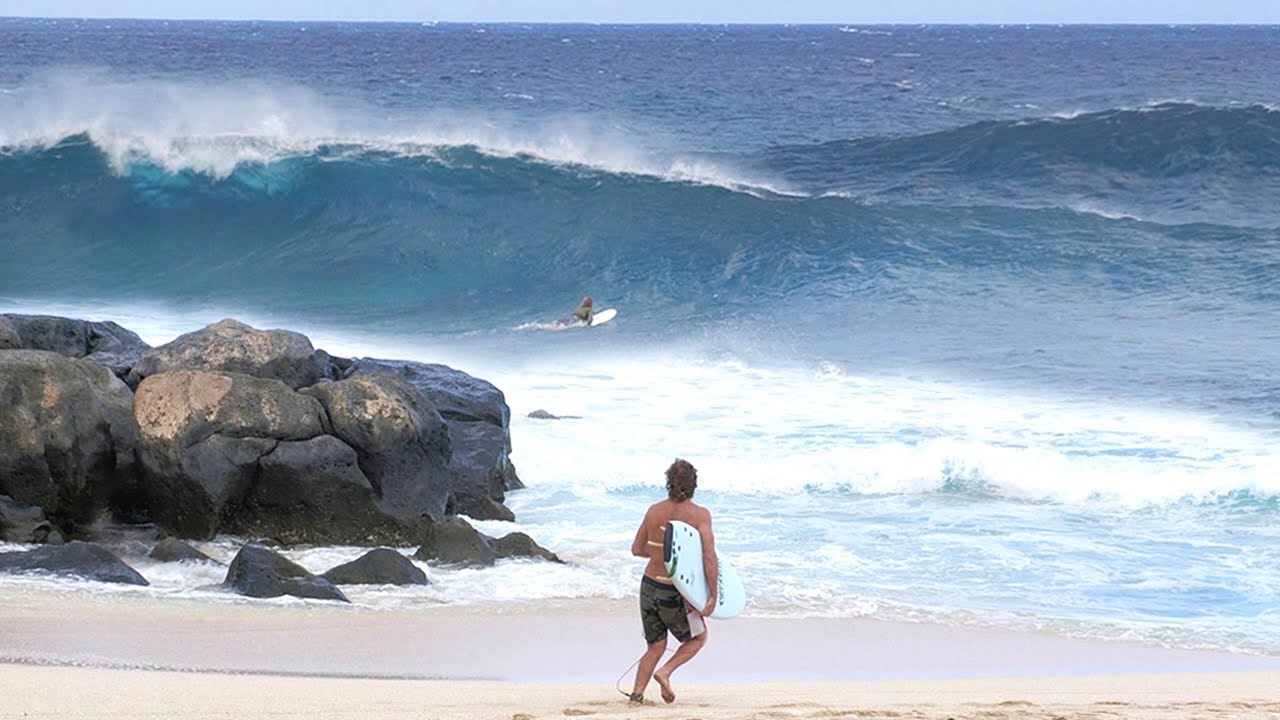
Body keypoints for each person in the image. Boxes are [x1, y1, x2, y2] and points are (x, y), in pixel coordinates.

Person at [628, 458, 717, 706]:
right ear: (693, 485)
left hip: (648, 586)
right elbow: (709, 556)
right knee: (698, 638)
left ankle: (636, 697)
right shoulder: (700, 515)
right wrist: (712, 595)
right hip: (672, 591)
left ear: (668, 482)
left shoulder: (654, 511)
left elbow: (637, 549)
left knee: (655, 645)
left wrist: (661, 555)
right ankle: (665, 672)